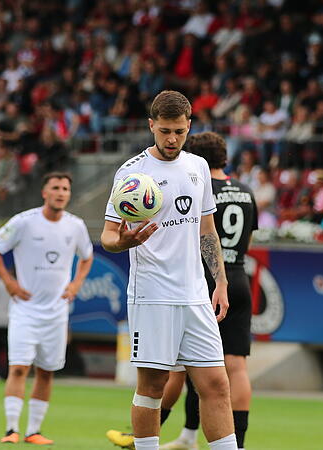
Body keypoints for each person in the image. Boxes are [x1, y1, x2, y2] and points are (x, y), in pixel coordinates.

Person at [100, 91, 237, 450]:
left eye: (178, 131)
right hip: (153, 295)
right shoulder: (132, 173)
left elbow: (207, 229)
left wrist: (220, 280)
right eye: (164, 131)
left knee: (217, 385)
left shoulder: (198, 167)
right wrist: (126, 242)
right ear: (151, 126)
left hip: (195, 296)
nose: (172, 139)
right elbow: (108, 237)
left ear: (189, 125)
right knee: (152, 387)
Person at [163, 131, 258, 450]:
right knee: (236, 366)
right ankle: (236, 443)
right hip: (239, 277)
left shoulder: (199, 185)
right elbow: (249, 240)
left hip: (206, 279)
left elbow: (198, 234)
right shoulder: (245, 190)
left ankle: (146, 433)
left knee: (181, 365)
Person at [0, 171, 93, 445]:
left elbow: (87, 257)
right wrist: (9, 282)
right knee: (19, 368)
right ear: (44, 193)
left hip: (57, 313)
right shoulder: (24, 222)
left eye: (65, 188)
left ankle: (33, 431)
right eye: (55, 188)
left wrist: (76, 284)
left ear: (69, 194)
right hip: (25, 309)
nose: (60, 193)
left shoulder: (76, 225)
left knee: (46, 371)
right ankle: (11, 429)